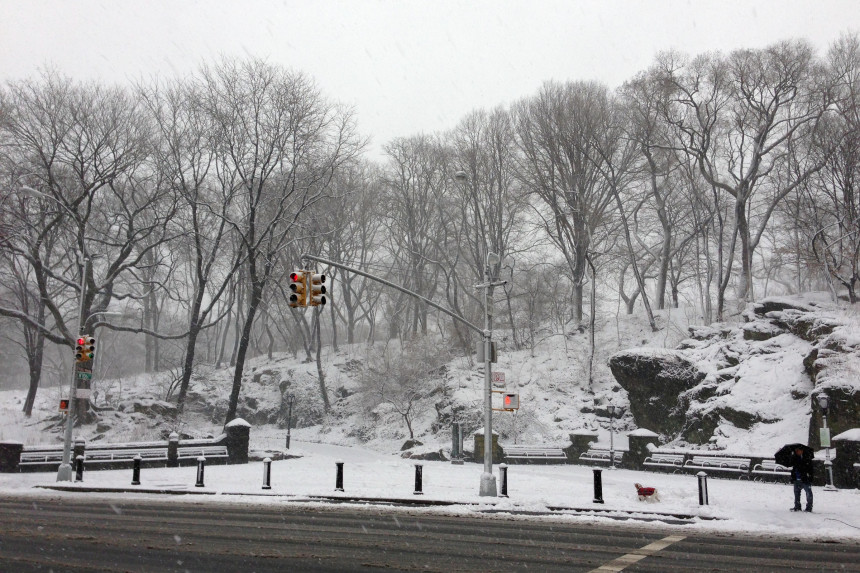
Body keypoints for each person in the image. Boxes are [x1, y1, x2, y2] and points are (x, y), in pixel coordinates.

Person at [790, 446, 814, 512]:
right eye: (796, 451)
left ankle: (809, 507)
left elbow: (810, 469)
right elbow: (793, 467)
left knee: (808, 493)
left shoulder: (807, 458)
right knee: (796, 493)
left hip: (805, 479)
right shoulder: (795, 458)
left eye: (798, 450)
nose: (796, 452)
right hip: (797, 478)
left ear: (802, 451)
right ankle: (797, 506)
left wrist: (809, 477)